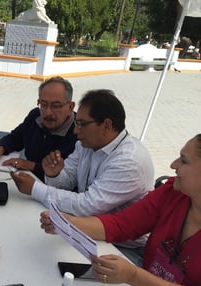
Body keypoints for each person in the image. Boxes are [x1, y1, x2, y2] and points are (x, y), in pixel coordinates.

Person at [40, 134, 201, 286]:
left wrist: (134, 276)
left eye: (184, 160)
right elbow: (122, 224)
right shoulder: (172, 193)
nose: (173, 165)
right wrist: (68, 223)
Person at [11, 89, 154, 262]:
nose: (75, 131)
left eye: (81, 124)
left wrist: (35, 189)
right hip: (89, 230)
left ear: (106, 125)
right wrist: (55, 174)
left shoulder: (129, 161)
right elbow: (69, 179)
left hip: (123, 248)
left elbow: (87, 205)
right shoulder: (86, 145)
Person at [0, 76, 78, 181]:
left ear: (70, 107)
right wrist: (1, 148)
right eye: (43, 104)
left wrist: (30, 165)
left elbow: (68, 177)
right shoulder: (35, 116)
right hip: (25, 180)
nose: (48, 112)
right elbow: (16, 138)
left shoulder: (80, 132)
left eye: (56, 106)